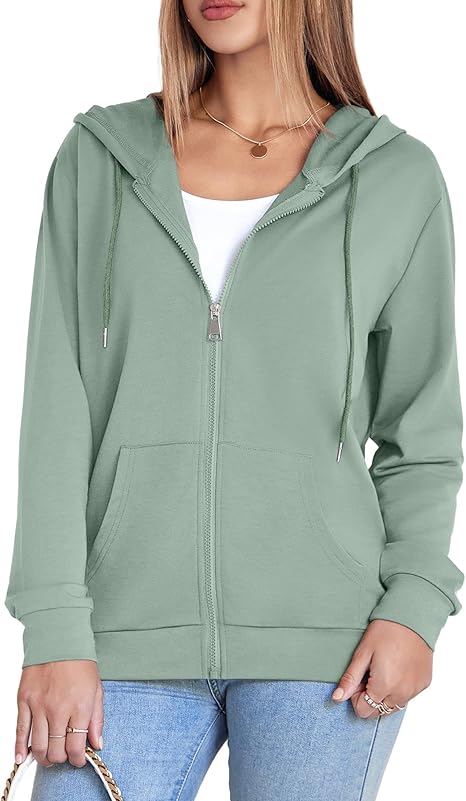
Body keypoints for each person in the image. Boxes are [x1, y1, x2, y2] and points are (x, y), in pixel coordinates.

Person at [4, 1, 463, 799]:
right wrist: (52, 627)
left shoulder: (394, 177)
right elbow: (57, 404)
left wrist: (415, 604)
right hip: (118, 639)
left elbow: (421, 429)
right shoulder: (100, 159)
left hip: (327, 650)